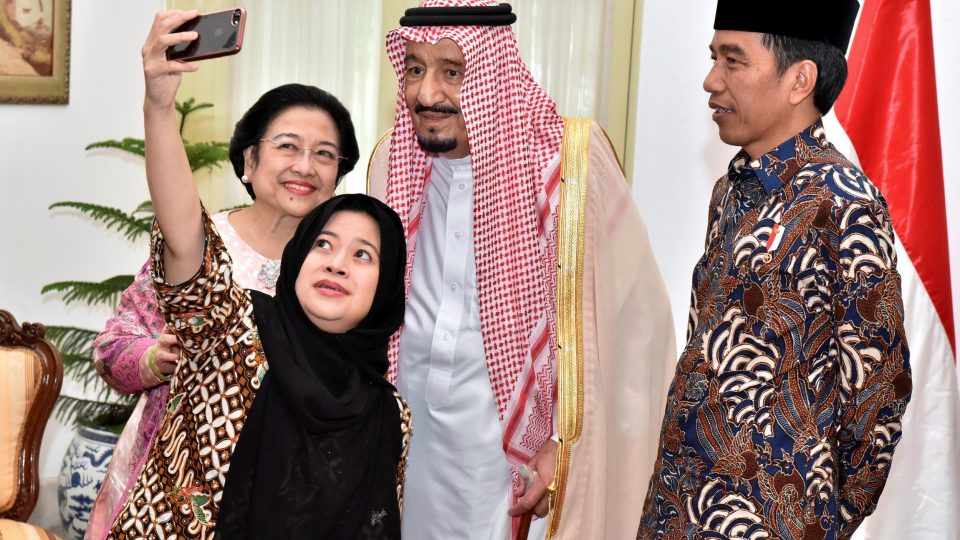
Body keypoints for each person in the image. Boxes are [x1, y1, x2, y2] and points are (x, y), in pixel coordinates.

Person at [367, 1, 676, 537]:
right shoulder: (390, 162)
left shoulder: (569, 165)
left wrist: (565, 440)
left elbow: (632, 329)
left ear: (491, 73)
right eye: (415, 68)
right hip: (406, 441)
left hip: (512, 454)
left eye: (452, 71)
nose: (425, 93)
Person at [104, 11, 409, 539]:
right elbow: (180, 236)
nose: (305, 166)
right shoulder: (227, 307)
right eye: (287, 146)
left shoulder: (383, 409)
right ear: (249, 159)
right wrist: (159, 105)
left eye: (324, 155)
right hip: (184, 498)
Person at [638, 1, 912, 538]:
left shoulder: (845, 202)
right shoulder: (731, 192)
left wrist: (819, 518)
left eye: (733, 61)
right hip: (679, 508)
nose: (710, 80)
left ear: (799, 79)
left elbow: (878, 394)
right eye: (713, 58)